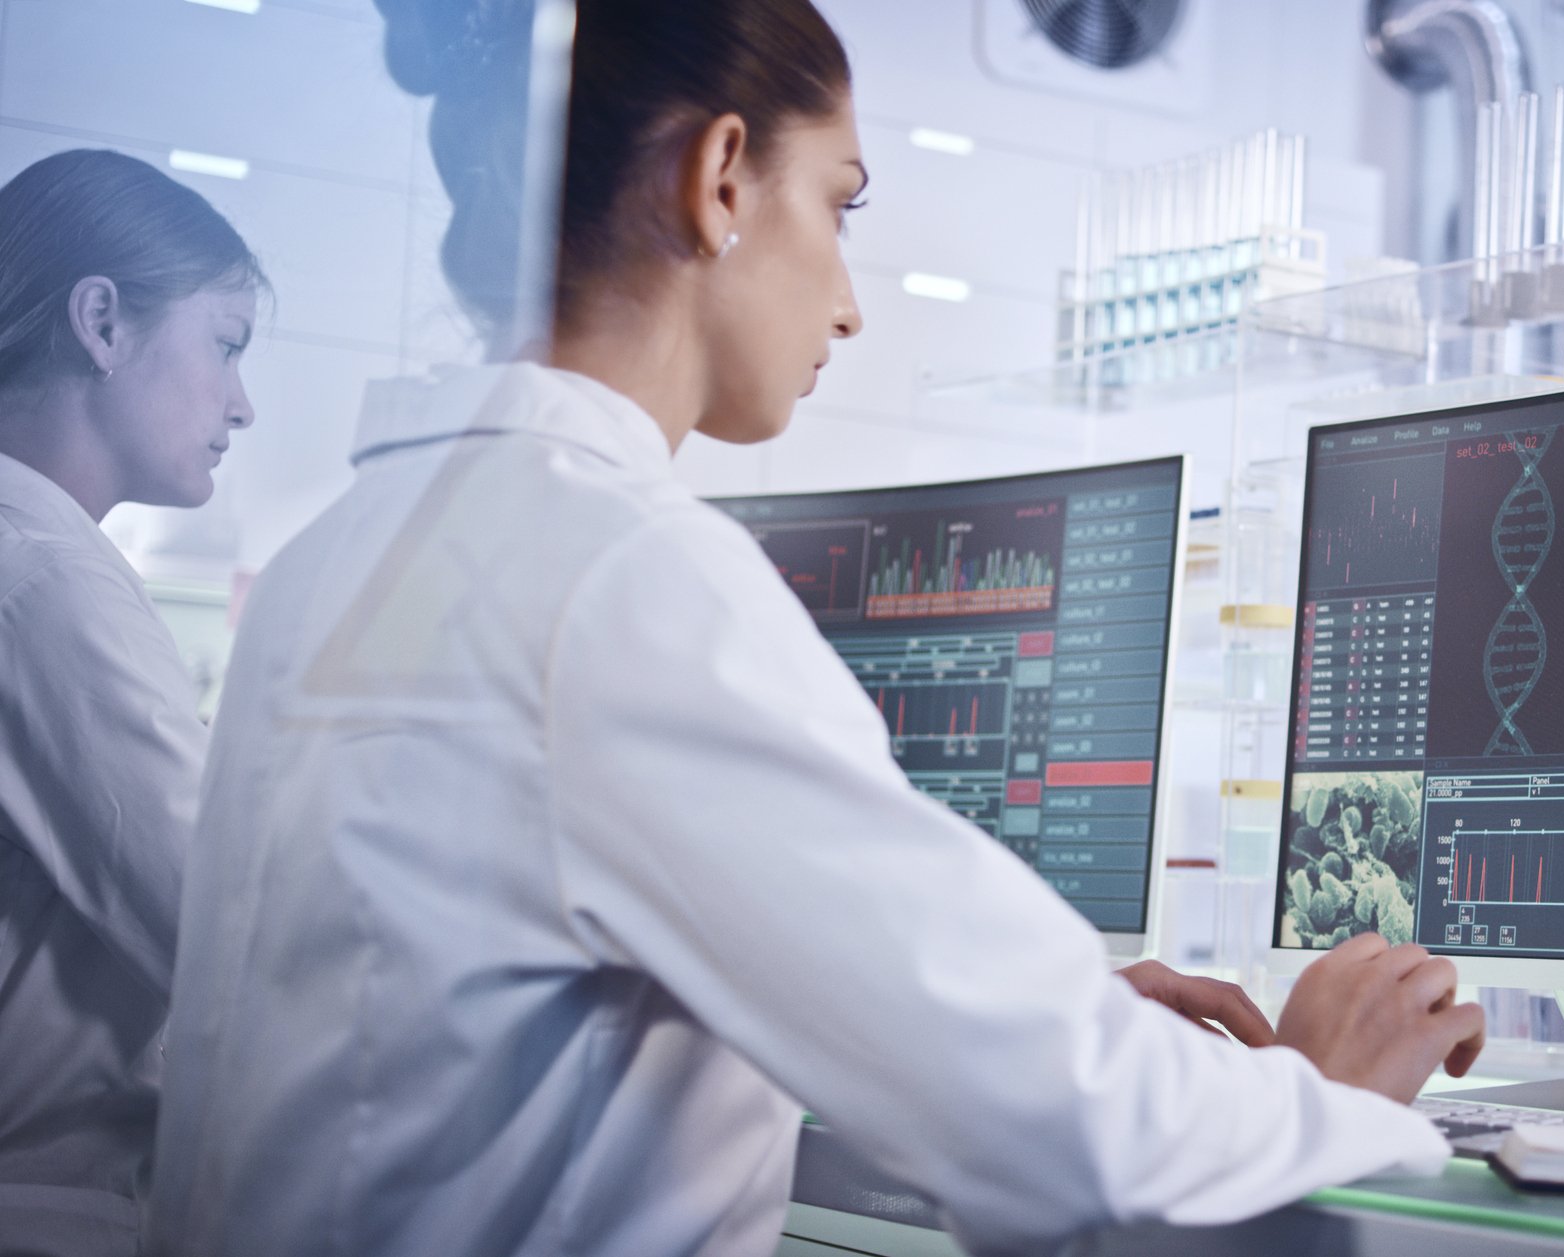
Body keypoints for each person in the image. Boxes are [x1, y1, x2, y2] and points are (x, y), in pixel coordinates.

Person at [145, 3, 1483, 1255]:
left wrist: (1004, 1016)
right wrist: (1322, 1086)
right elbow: (1066, 1131)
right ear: (721, 177)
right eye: (838, 206)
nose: (849, 299)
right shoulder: (623, 576)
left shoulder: (348, 551)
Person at [0, 149, 262, 1256]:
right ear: (101, 323)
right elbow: (232, 937)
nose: (241, 405)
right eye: (226, 346)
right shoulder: (45, 578)